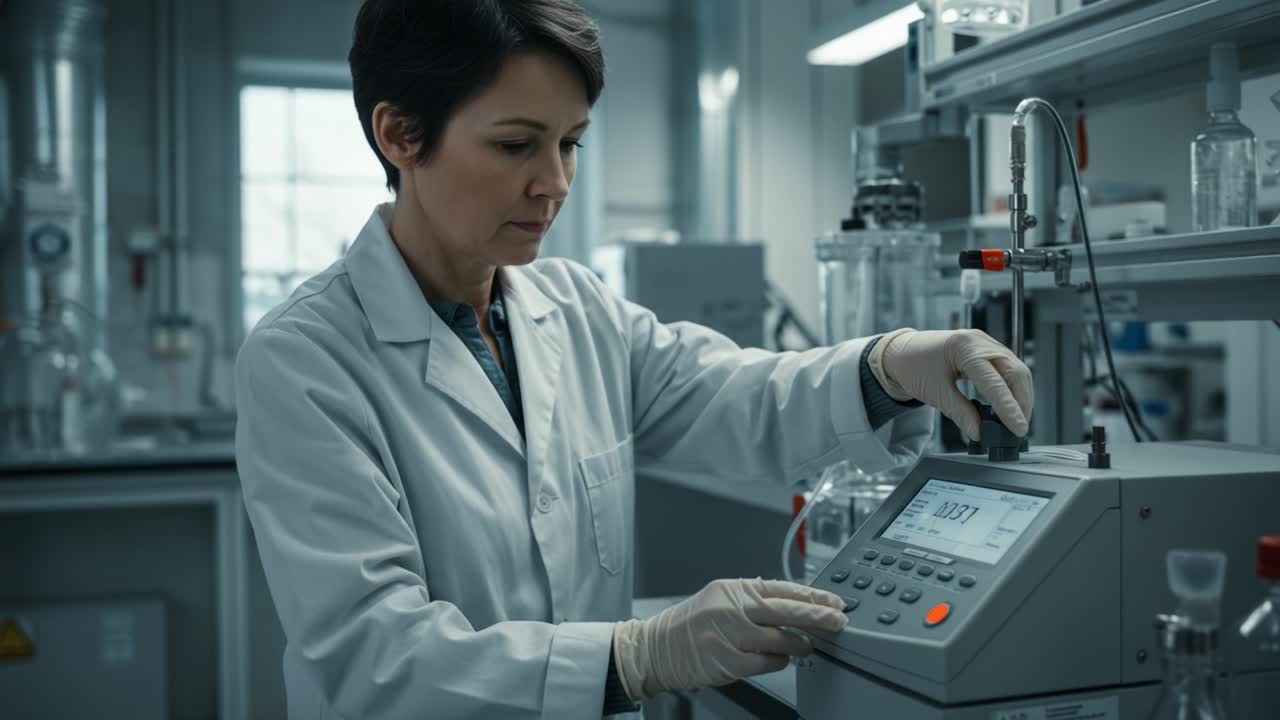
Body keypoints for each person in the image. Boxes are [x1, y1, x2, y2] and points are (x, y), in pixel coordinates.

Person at [234, 1, 1034, 717]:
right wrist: (636, 656)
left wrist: (890, 365)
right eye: (517, 145)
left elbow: (731, 396)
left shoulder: (575, 310)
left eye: (571, 144)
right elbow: (375, 657)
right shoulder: (305, 362)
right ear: (400, 134)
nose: (554, 183)